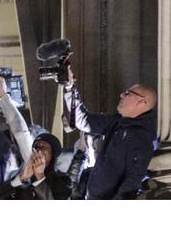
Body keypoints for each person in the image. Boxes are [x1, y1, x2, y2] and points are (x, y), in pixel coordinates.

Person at [61, 68, 157, 199]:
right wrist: (69, 87)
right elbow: (82, 119)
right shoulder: (117, 122)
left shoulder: (142, 138)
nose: (122, 95)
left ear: (142, 102)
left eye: (128, 93)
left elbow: (132, 181)